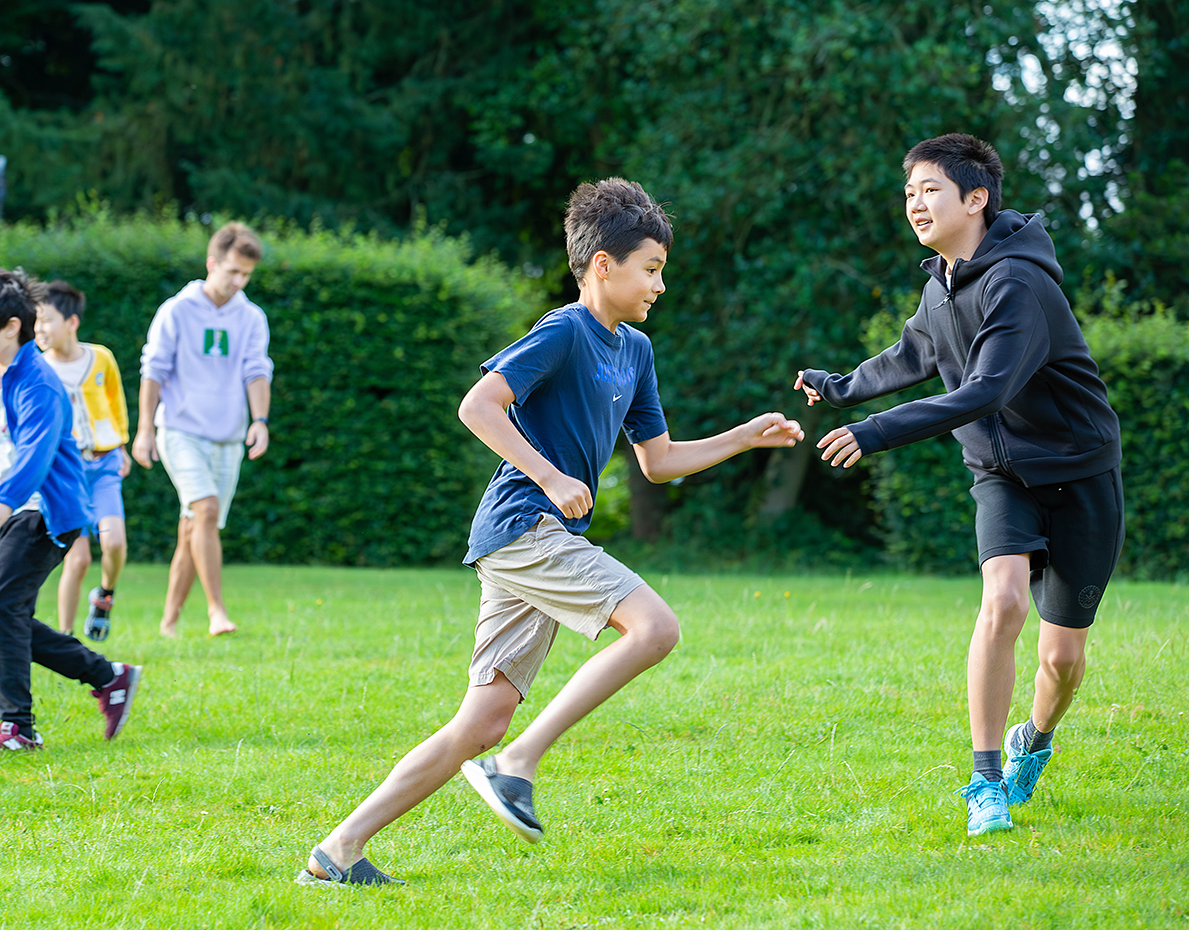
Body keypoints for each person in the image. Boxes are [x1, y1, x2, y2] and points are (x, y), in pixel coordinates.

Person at [297, 178, 804, 886]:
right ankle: (517, 763)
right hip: (523, 526)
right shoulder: (564, 331)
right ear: (603, 264)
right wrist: (549, 475)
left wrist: (743, 437)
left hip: (531, 541)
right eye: (651, 268)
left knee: (480, 722)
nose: (660, 284)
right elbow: (479, 406)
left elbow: (657, 461)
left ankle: (337, 852)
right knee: (655, 628)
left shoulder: (635, 351)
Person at [795, 133, 1124, 837]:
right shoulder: (939, 285)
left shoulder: (1018, 284)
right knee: (1001, 602)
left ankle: (1034, 739)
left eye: (930, 190)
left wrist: (876, 431)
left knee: (1062, 658)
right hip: (1001, 476)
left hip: (1079, 475)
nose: (915, 203)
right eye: (909, 192)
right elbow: (911, 353)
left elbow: (985, 390)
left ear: (975, 199)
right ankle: (985, 780)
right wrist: (840, 387)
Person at [0, 268, 142, 752]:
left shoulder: (36, 382)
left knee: (3, 606)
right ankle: (108, 676)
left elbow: (34, 461)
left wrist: (2, 504)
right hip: (21, 508)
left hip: (44, 512)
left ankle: (17, 726)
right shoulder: (8, 372)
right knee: (8, 612)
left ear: (10, 327)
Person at [131, 222, 273, 637]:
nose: (239, 281)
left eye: (246, 274)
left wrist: (260, 421)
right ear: (212, 263)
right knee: (206, 510)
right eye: (232, 271)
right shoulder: (176, 310)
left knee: (194, 527)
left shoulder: (252, 317)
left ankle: (169, 622)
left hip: (228, 436)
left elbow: (257, 371)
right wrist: (144, 430)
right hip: (180, 431)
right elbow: (153, 371)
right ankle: (217, 612)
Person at [34, 281, 131, 641]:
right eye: (36, 321)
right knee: (77, 559)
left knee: (114, 542)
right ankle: (66, 638)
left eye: (47, 320)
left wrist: (121, 445)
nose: (39, 328)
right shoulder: (39, 368)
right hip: (66, 472)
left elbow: (116, 401)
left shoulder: (101, 358)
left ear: (72, 322)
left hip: (104, 465)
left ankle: (104, 596)